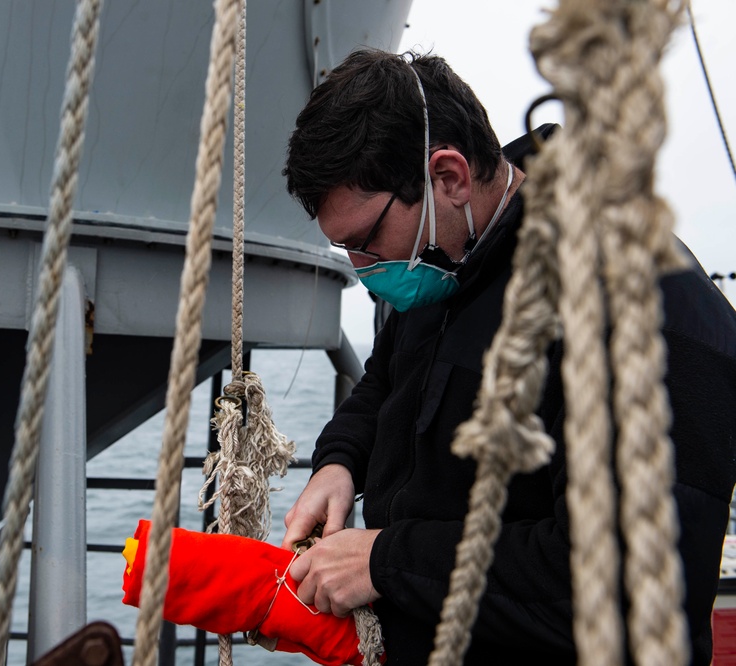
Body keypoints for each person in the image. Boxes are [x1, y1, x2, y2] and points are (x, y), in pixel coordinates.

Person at [279, 49, 736, 665]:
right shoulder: (446, 256)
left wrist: (386, 561)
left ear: (449, 177)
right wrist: (340, 463)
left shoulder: (642, 307)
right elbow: (386, 378)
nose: (364, 273)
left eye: (364, 242)